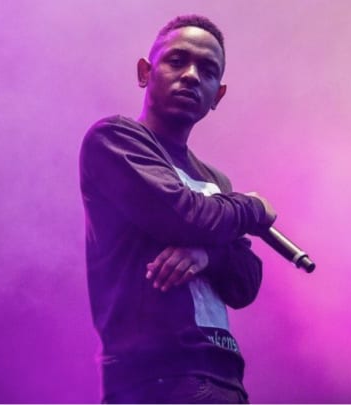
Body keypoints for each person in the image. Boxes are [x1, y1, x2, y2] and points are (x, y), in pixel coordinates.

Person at [79, 14, 276, 404]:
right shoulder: (115, 140)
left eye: (207, 70)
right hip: (153, 381)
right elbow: (184, 216)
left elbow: (245, 280)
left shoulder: (214, 179)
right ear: (145, 72)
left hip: (224, 378)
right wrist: (253, 207)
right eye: (176, 60)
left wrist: (207, 256)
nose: (190, 76)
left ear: (217, 96)